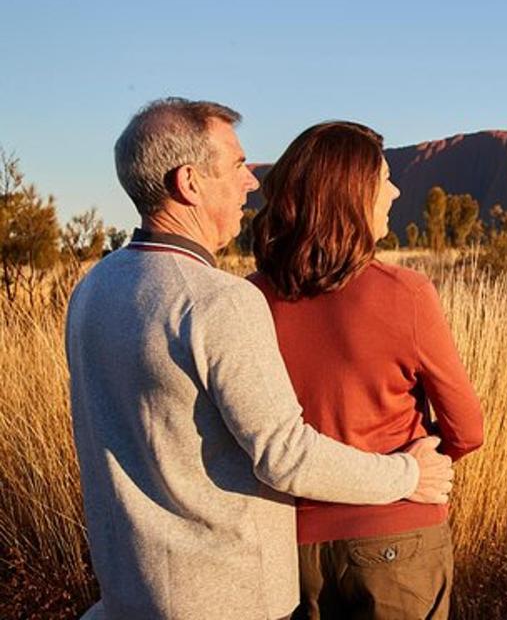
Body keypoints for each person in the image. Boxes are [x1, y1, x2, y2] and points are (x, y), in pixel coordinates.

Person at [66, 98, 455, 620]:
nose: (251, 181)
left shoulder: (93, 289)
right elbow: (285, 454)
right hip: (228, 597)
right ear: (190, 183)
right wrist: (407, 476)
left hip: (131, 594)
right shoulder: (216, 300)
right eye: (236, 165)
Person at [248, 121, 484, 620]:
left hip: (293, 549)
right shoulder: (406, 294)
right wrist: (424, 462)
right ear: (350, 196)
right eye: (384, 180)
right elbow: (469, 428)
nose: (396, 192)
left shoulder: (249, 300)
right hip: (397, 538)